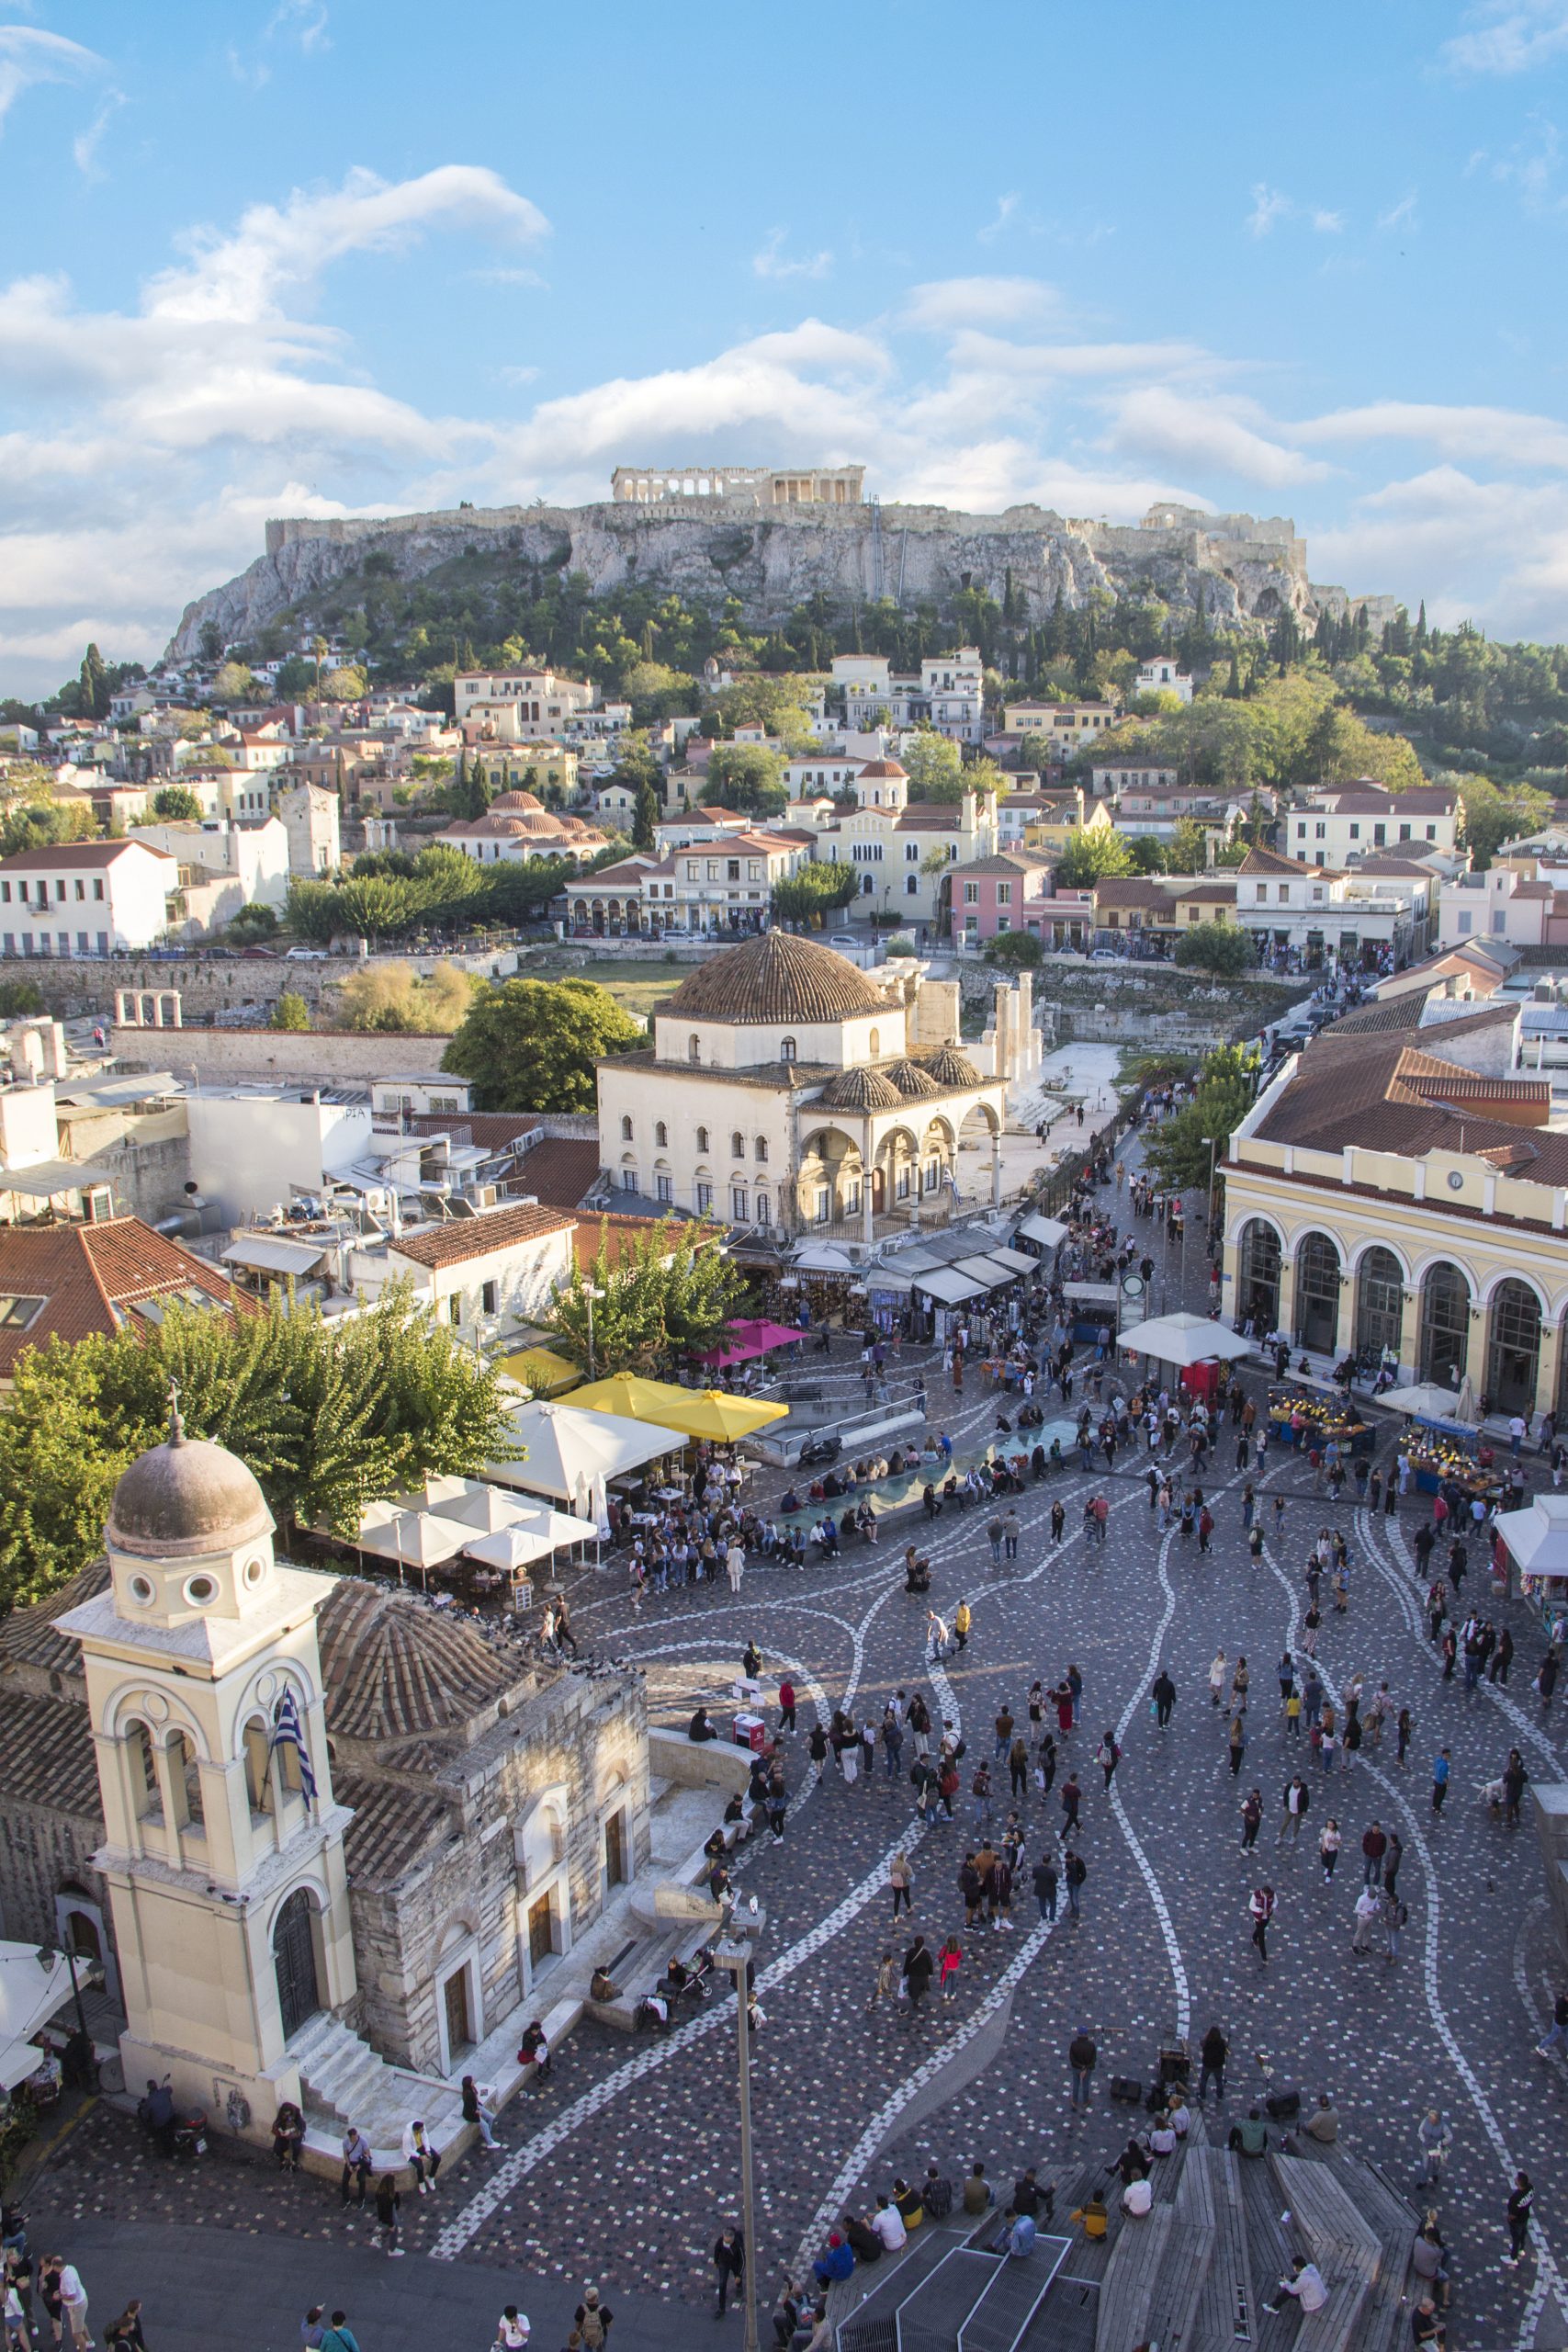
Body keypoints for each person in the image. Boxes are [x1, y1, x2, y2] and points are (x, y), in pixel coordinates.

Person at [1262, 2257, 1328, 2317]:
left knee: (1288, 2293)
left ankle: (1274, 2307)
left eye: (1294, 2266)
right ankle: (1286, 2284)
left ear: (1298, 2267)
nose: (1293, 2267)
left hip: (1313, 2302)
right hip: (1320, 2295)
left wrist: (1285, 2280)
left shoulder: (1304, 2279)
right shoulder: (1311, 2267)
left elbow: (1293, 2290)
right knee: (1295, 2277)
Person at [462, 2075, 502, 2151]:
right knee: (485, 2125)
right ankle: (490, 2143)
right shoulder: (468, 2095)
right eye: (472, 2081)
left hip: (477, 2107)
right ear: (469, 2084)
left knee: (491, 2117)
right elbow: (470, 2108)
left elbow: (476, 2099)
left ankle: (486, 2133)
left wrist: (479, 2106)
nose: (473, 2081)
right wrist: (477, 2112)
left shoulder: (472, 2089)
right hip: (471, 2114)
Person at [713, 2227, 746, 2315]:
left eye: (728, 2242)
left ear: (733, 2239)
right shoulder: (720, 2241)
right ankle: (721, 2308)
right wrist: (716, 2261)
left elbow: (743, 2261)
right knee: (722, 2284)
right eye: (725, 2241)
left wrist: (739, 2275)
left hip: (735, 2263)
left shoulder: (738, 2245)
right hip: (724, 2263)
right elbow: (716, 2250)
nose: (726, 2243)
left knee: (737, 2277)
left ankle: (739, 2286)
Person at [1504, 2173, 1534, 2268]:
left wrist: (1509, 2218)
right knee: (1523, 2233)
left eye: (1517, 2179)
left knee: (1516, 2238)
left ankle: (1513, 2258)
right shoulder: (1530, 2188)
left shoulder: (1515, 2198)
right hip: (1525, 2216)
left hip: (1517, 2221)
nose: (1515, 2179)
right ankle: (1521, 2249)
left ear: (1519, 2183)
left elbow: (1513, 2214)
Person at [401, 2118, 440, 2193]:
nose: (423, 2130)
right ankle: (421, 2182)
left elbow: (425, 2138)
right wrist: (419, 2156)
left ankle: (431, 2177)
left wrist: (427, 2150)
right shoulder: (407, 2136)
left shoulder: (422, 2127)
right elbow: (408, 2149)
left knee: (437, 2158)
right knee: (419, 2166)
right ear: (416, 2130)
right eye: (421, 2130)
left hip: (421, 2146)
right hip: (412, 2151)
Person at [374, 2172, 403, 2257]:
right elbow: (391, 2209)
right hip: (390, 2214)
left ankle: (379, 2239)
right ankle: (392, 2250)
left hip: (388, 2214)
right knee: (394, 2229)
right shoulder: (388, 2196)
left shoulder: (381, 2192)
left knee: (392, 2228)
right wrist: (391, 2224)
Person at [1198, 2023, 1228, 2104]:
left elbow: (1201, 2043)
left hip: (1207, 2064)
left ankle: (1202, 2096)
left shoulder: (1206, 2042)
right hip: (1218, 2065)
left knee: (1204, 2080)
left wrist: (1206, 2036)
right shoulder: (1222, 2042)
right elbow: (1226, 2048)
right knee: (1219, 2081)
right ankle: (1220, 2096)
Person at [272, 2100, 304, 2171]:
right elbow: (278, 2124)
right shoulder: (281, 2115)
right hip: (284, 2132)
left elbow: (300, 2127)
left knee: (296, 2146)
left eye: (288, 2114)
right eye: (285, 2114)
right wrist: (281, 2131)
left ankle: (294, 2161)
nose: (286, 2116)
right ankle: (282, 2160)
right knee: (277, 2146)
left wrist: (290, 2131)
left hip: (294, 2132)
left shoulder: (297, 2114)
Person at [1068, 2029, 1097, 2109]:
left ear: (1079, 2034)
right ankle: (1085, 2101)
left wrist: (1081, 2067)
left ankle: (1074, 2101)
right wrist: (1085, 2068)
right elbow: (1094, 2059)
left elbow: (1072, 2058)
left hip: (1076, 2068)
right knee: (1086, 2085)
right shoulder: (1091, 2045)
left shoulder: (1074, 2044)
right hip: (1087, 2069)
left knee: (1076, 2084)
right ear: (1086, 2034)